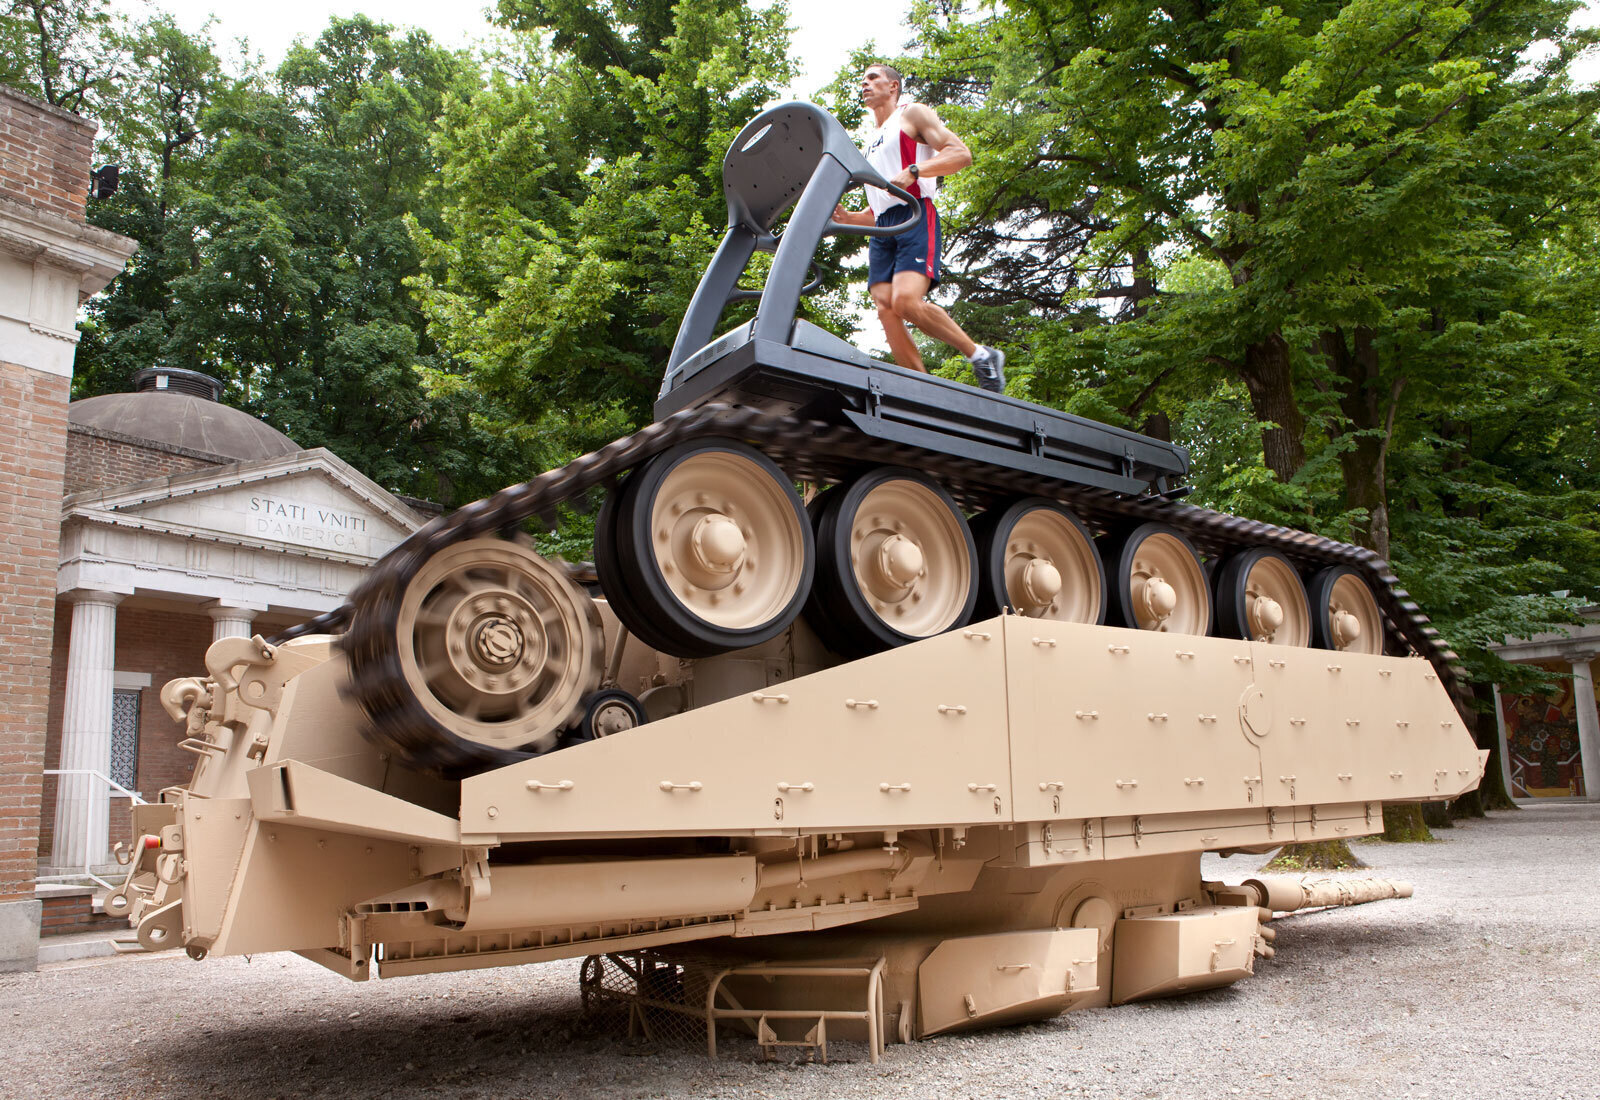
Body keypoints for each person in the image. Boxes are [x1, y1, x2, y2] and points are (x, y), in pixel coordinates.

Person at [832, 63, 1006, 393]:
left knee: (906, 302)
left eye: (873, 78)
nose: (865, 84)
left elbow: (960, 154)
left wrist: (915, 169)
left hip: (914, 215)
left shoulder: (912, 115)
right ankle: (922, 389)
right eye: (863, 80)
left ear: (893, 86)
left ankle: (982, 355)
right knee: (884, 306)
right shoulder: (869, 144)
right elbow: (878, 206)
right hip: (884, 227)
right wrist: (850, 217)